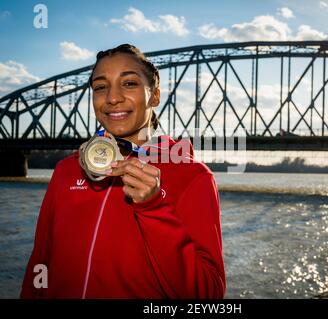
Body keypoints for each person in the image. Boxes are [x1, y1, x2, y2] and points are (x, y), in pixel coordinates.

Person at [20, 44, 226, 299]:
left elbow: (207, 296)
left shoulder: (194, 177)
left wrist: (153, 207)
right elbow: (39, 265)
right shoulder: (67, 170)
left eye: (129, 83)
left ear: (155, 96)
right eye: (100, 87)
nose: (112, 97)